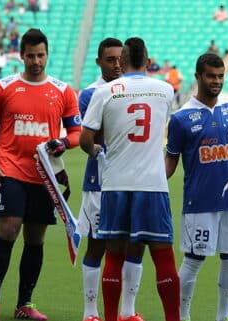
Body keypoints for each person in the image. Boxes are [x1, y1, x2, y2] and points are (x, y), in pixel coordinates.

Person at [0, 28, 82, 321]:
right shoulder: (4, 87)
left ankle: (25, 303)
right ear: (21, 56)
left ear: (47, 55)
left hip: (43, 176)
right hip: (10, 171)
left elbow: (76, 133)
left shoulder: (62, 90)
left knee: (35, 239)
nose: (36, 61)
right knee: (8, 229)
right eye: (31, 56)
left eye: (41, 55)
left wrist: (63, 142)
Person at [80, 37, 179, 321]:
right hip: (153, 186)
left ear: (121, 62)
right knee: (163, 257)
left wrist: (97, 150)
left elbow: (86, 138)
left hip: (116, 185)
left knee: (113, 255)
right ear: (148, 62)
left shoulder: (106, 91)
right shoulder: (165, 90)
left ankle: (110, 317)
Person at [76, 37, 146, 321]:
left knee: (134, 243)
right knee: (98, 245)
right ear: (98, 62)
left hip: (132, 180)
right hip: (99, 183)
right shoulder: (90, 94)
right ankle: (90, 312)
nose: (116, 65)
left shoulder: (133, 89)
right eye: (110, 60)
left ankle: (128, 312)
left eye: (120, 59)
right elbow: (97, 136)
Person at [165, 53, 228, 321]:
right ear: (198, 77)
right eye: (211, 76)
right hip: (199, 203)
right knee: (194, 261)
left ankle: (223, 316)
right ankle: (182, 316)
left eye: (220, 76)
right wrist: (155, 185)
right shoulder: (181, 118)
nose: (216, 81)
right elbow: (170, 161)